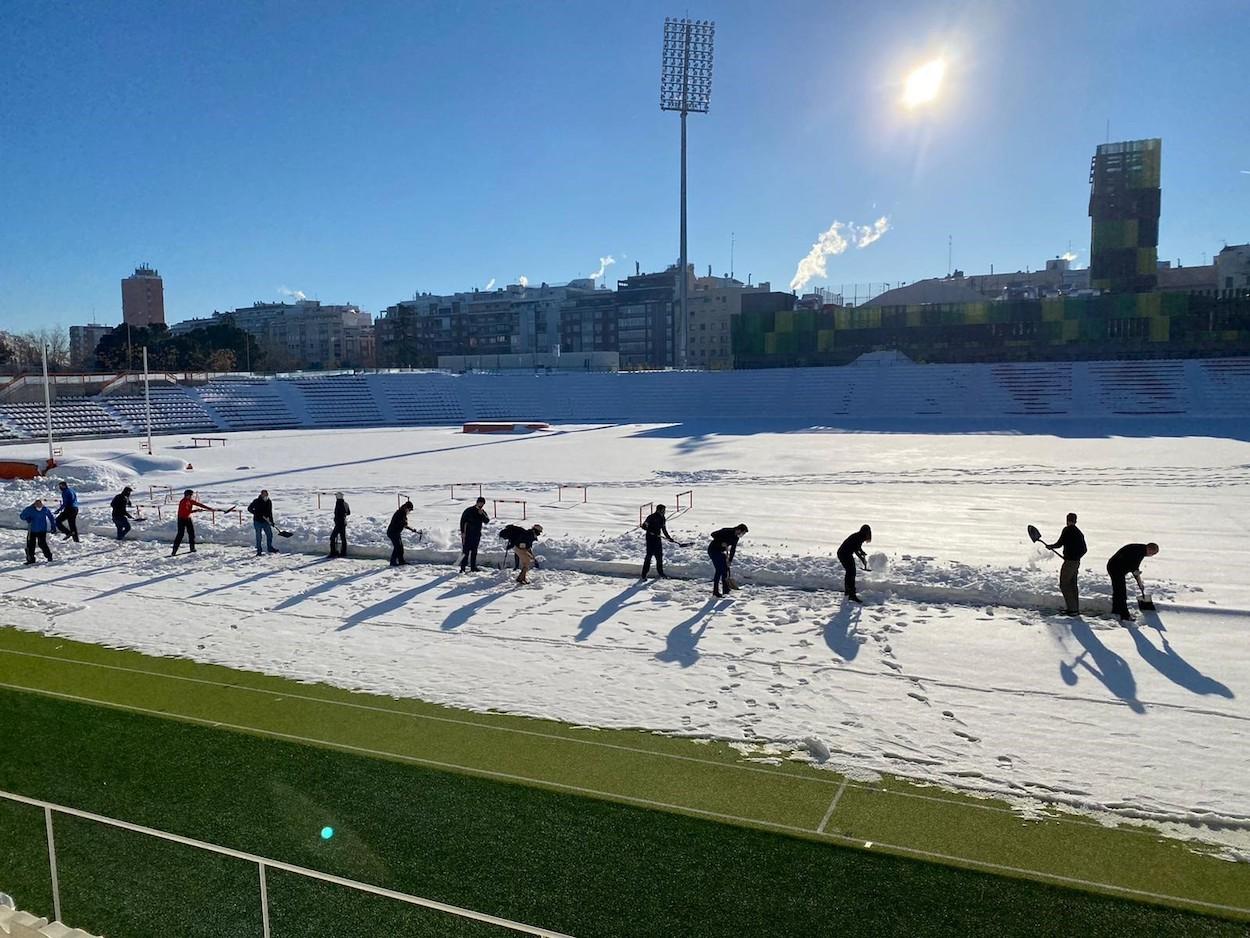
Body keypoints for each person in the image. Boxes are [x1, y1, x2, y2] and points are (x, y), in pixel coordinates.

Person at [1046, 513, 1088, 615]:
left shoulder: (1067, 530)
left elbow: (1059, 543)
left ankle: (1072, 609)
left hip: (1069, 562)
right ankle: (1075, 608)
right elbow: (1084, 549)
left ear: (1067, 520)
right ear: (1075, 521)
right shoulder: (1079, 533)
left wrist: (1051, 546)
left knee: (1064, 584)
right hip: (1076, 562)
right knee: (1072, 585)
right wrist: (1076, 558)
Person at [1106, 542, 1159, 621]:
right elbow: (1133, 567)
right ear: (1149, 549)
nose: (1151, 555)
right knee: (1121, 592)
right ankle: (1125, 616)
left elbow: (1134, 566)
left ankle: (1116, 611)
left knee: (1118, 591)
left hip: (1117, 566)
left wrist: (1138, 580)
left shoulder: (1141, 550)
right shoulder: (1138, 552)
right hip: (1115, 568)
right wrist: (1139, 581)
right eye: (1152, 553)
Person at [172, 489, 216, 555]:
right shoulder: (183, 502)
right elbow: (185, 512)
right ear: (187, 495)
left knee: (191, 533)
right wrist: (196, 511)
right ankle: (174, 551)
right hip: (181, 519)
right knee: (180, 535)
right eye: (191, 495)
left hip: (188, 518)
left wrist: (210, 508)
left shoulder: (190, 501)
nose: (191, 496)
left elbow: (199, 504)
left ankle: (192, 548)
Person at [708, 524, 748, 597]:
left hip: (721, 552)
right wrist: (721, 542)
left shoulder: (736, 538)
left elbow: (733, 549)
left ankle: (725, 589)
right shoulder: (726, 531)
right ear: (738, 529)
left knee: (726, 569)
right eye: (742, 533)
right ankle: (715, 592)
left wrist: (730, 560)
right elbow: (713, 534)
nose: (742, 535)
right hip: (713, 550)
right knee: (719, 570)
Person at [639, 504, 678, 580]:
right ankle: (644, 574)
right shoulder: (651, 517)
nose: (664, 512)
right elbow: (644, 526)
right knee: (649, 556)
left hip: (657, 539)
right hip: (650, 539)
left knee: (659, 556)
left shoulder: (662, 518)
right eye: (663, 510)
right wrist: (650, 531)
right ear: (658, 510)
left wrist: (669, 538)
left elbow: (664, 529)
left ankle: (661, 573)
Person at [837, 524, 873, 603]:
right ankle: (851, 595)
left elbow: (857, 547)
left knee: (850, 573)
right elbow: (856, 549)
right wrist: (862, 559)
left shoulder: (859, 535)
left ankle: (848, 593)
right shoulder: (860, 536)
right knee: (851, 573)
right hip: (844, 554)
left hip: (844, 553)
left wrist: (862, 552)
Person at [20, 499, 56, 565]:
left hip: (42, 530)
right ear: (34, 505)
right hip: (32, 530)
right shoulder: (30, 509)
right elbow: (22, 516)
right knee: (31, 545)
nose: (39, 507)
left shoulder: (45, 509)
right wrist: (27, 518)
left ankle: (49, 556)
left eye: (40, 506)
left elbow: (51, 517)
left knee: (42, 544)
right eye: (37, 506)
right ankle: (31, 559)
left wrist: (53, 526)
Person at [459, 497, 490, 572]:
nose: (481, 504)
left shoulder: (482, 511)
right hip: (468, 534)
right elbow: (462, 521)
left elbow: (487, 521)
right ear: (477, 502)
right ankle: (463, 568)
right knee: (465, 552)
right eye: (480, 502)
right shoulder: (469, 510)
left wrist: (482, 514)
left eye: (482, 503)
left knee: (474, 552)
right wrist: (462, 532)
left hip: (476, 534)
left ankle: (473, 567)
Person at [387, 501, 418, 566]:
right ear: (406, 508)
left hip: (396, 532)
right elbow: (403, 524)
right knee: (397, 547)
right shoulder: (400, 513)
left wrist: (412, 529)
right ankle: (393, 562)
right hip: (392, 532)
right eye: (409, 509)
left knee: (400, 547)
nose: (409, 511)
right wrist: (406, 525)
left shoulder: (402, 513)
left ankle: (401, 561)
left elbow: (404, 524)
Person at [248, 489, 277, 556]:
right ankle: (259, 550)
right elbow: (249, 508)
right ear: (261, 495)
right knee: (259, 536)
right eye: (264, 494)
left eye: (266, 494)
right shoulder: (256, 501)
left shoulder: (269, 502)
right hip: (257, 521)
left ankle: (270, 548)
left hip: (266, 521)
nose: (265, 496)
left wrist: (271, 521)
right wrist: (256, 513)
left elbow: (270, 512)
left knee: (269, 534)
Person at [329, 492, 350, 558]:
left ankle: (333, 552)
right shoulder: (346, 503)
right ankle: (343, 552)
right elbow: (348, 512)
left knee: (332, 537)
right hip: (343, 523)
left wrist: (337, 520)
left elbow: (338, 514)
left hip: (339, 524)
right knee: (343, 538)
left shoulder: (339, 503)